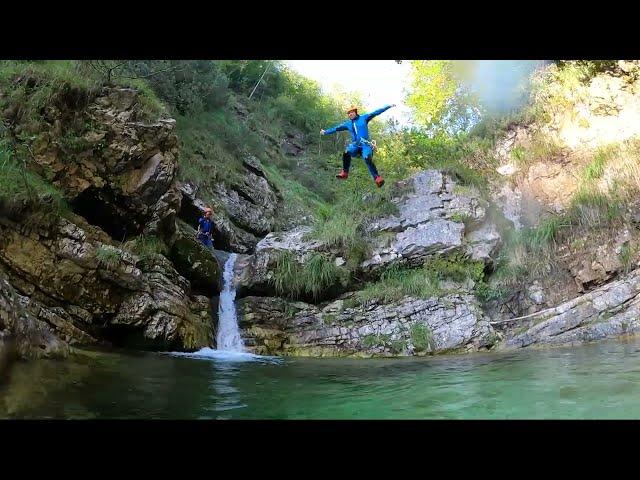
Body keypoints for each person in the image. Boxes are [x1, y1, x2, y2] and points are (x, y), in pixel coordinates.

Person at [320, 103, 395, 187]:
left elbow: (376, 112)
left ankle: (377, 178)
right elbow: (336, 128)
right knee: (346, 152)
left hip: (365, 145)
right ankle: (345, 172)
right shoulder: (348, 124)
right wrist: (325, 132)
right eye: (348, 113)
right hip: (355, 146)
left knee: (367, 158)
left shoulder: (364, 118)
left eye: (351, 112)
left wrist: (388, 106)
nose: (350, 114)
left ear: (355, 112)